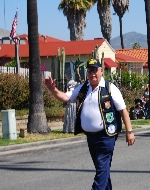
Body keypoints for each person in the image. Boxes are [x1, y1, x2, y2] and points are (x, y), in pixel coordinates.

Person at [44, 58, 135, 190]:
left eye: (95, 70)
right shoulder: (83, 87)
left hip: (106, 136)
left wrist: (130, 132)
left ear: (101, 71)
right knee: (102, 169)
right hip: (91, 137)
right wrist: (53, 89)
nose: (92, 73)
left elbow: (123, 111)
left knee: (101, 169)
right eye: (90, 70)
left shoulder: (110, 88)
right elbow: (66, 98)